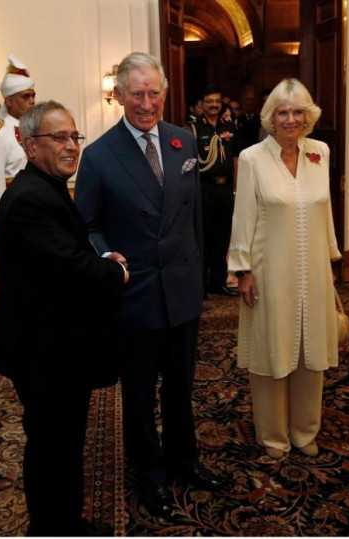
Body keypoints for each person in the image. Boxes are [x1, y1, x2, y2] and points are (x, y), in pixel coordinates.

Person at [75, 51, 223, 519]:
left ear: (164, 93)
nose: (146, 102)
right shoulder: (99, 155)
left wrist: (199, 274)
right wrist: (104, 256)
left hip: (181, 292)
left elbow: (194, 218)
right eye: (136, 94)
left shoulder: (183, 142)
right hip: (135, 294)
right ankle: (151, 473)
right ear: (118, 96)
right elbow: (88, 224)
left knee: (181, 386)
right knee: (139, 394)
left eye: (153, 93)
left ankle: (185, 458)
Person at [0, 100, 129, 536]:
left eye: (75, 137)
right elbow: (73, 269)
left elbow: (66, 254)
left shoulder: (45, 188)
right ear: (30, 146)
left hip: (55, 349)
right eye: (59, 138)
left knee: (65, 446)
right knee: (52, 448)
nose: (71, 146)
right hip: (43, 355)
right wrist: (116, 269)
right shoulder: (30, 199)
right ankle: (50, 529)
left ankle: (65, 523)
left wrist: (100, 255)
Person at [228, 78, 342, 460]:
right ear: (270, 117)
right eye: (282, 112)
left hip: (314, 271)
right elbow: (242, 215)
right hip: (268, 270)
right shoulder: (251, 158)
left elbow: (323, 208)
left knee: (312, 352)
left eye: (297, 112)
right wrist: (242, 269)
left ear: (308, 116)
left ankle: (305, 430)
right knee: (272, 351)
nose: (291, 120)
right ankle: (274, 436)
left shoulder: (320, 152)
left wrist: (330, 255)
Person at [0, 53, 37, 293]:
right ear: (9, 101)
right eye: (26, 96)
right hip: (10, 215)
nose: (32, 100)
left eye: (33, 95)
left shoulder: (32, 130)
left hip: (34, 211)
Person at [191, 84, 241, 297]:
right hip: (204, 188)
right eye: (209, 101)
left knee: (222, 237)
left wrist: (236, 189)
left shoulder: (229, 127)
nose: (214, 105)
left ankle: (219, 281)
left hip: (224, 189)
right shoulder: (194, 129)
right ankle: (200, 284)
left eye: (217, 102)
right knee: (203, 237)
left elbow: (237, 159)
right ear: (202, 104)